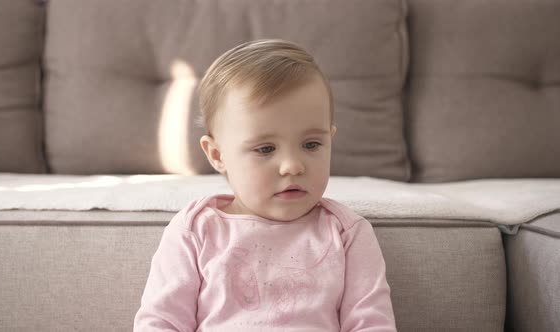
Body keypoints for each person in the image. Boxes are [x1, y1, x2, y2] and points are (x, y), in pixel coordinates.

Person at [133, 39, 396, 331]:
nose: (293, 165)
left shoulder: (347, 233)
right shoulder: (196, 230)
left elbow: (372, 323)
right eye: (266, 149)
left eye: (311, 144)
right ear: (218, 155)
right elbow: (161, 322)